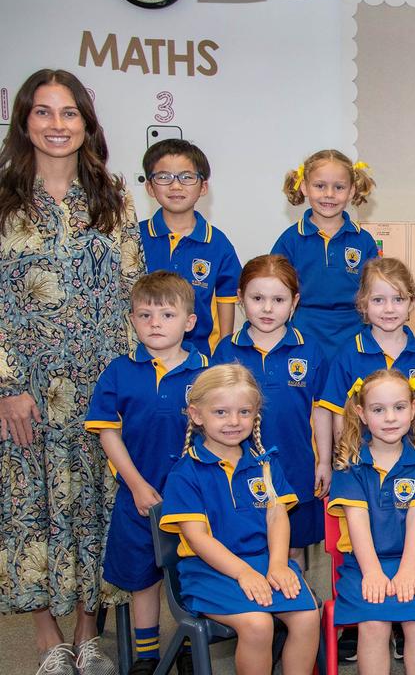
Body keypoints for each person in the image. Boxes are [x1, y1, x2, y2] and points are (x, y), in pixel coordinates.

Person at [0, 68, 145, 675]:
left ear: (87, 123)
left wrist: (137, 380)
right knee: (32, 506)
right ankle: (45, 639)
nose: (56, 125)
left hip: (102, 379)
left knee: (96, 505)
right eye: (43, 112)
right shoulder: (3, 199)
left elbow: (135, 289)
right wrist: (7, 387)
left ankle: (88, 633)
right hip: (27, 382)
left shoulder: (114, 197)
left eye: (69, 114)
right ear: (24, 121)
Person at [159, 364, 320, 675]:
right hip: (208, 571)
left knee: (308, 616)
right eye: (221, 412)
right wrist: (244, 572)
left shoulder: (265, 463)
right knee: (258, 624)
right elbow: (197, 538)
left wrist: (277, 564)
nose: (234, 421)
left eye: (244, 412)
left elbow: (277, 517)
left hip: (264, 562)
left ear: (255, 413)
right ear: (196, 415)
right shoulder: (185, 472)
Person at [85, 273, 208, 675]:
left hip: (194, 496)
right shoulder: (120, 371)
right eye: (145, 314)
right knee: (143, 578)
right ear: (133, 320)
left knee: (193, 569)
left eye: (167, 314)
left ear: (188, 322)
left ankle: (191, 644)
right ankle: (148, 656)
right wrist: (136, 485)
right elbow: (106, 430)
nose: (155, 323)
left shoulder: (207, 371)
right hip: (138, 496)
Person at [328, 368, 415, 675]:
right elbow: (357, 523)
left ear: (414, 408)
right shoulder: (349, 464)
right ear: (362, 414)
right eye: (378, 410)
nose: (390, 418)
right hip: (364, 563)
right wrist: (372, 573)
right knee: (374, 625)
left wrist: (408, 570)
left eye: (399, 407)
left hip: (414, 560)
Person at [211, 255, 332, 556]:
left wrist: (325, 461)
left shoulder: (310, 349)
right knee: (247, 549)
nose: (267, 308)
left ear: (294, 302)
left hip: (296, 466)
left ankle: (293, 601)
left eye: (278, 299)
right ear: (240, 299)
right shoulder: (226, 350)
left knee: (291, 552)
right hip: (238, 470)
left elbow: (321, 410)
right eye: (257, 298)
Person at [320, 258, 415, 458]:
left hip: (414, 470)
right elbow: (338, 412)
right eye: (378, 300)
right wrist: (345, 459)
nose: (389, 309)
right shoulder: (348, 354)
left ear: (412, 302)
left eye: (398, 299)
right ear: (363, 303)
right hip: (360, 467)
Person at [139, 138, 242, 358]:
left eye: (186, 177)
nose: (175, 186)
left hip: (200, 359)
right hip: (142, 355)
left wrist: (223, 357)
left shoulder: (217, 244)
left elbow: (226, 303)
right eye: (164, 177)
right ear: (149, 186)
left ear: (203, 187)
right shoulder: (134, 237)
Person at [271, 149, 379, 355]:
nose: (329, 194)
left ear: (352, 191)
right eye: (320, 186)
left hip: (354, 333)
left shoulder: (363, 240)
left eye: (339, 187)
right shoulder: (290, 239)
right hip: (303, 331)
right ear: (304, 186)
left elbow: (376, 290)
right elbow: (273, 289)